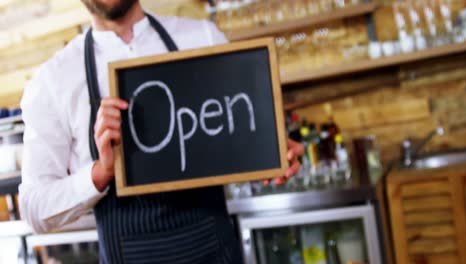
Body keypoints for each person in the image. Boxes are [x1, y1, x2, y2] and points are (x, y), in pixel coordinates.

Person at [19, 0, 304, 263]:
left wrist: (271, 151)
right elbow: (34, 208)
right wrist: (100, 173)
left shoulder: (203, 38)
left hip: (214, 250)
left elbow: (241, 138)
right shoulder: (53, 81)